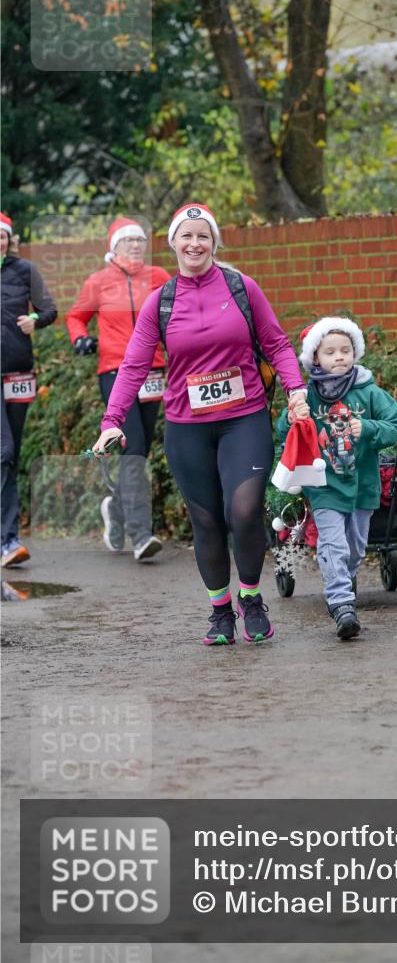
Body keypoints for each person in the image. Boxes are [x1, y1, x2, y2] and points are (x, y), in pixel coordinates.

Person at [92, 203, 308, 645]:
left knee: (244, 511)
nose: (194, 244)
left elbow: (276, 343)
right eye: (186, 236)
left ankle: (251, 598)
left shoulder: (241, 287)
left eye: (203, 236)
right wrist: (112, 420)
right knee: (207, 521)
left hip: (243, 418)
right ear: (173, 243)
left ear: (214, 243)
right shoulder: (161, 301)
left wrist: (296, 389)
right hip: (187, 427)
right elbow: (133, 365)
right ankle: (220, 611)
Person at [278, 318, 397, 640]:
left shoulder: (369, 391)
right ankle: (341, 603)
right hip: (324, 485)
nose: (339, 357)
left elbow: (395, 425)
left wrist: (369, 428)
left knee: (355, 549)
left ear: (355, 353)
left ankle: (341, 583)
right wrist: (291, 417)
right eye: (330, 352)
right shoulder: (307, 395)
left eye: (345, 350)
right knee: (333, 543)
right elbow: (282, 430)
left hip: (363, 484)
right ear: (315, 358)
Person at [66, 218, 170, 561]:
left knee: (140, 448)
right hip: (115, 370)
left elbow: (178, 308)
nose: (137, 246)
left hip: (152, 370)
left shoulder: (158, 277)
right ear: (115, 247)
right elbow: (75, 317)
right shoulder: (98, 281)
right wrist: (80, 338)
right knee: (133, 445)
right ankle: (140, 535)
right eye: (129, 241)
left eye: (140, 240)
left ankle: (116, 508)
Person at [1, 212, 58, 567]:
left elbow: (49, 310)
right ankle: (8, 540)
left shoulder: (25, 270)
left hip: (19, 371)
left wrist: (33, 319)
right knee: (3, 451)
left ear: (9, 239)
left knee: (11, 455)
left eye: (2, 236)